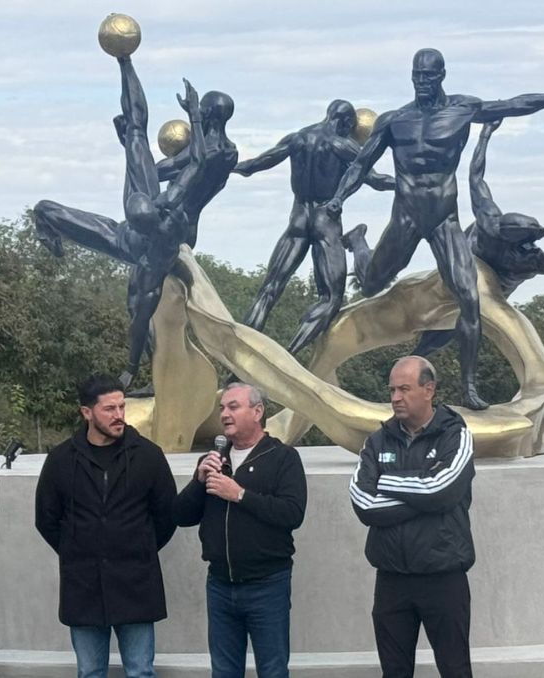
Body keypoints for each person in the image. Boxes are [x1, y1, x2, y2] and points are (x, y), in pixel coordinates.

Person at [327, 47, 544, 410]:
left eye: (429, 76)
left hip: (442, 219)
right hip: (405, 217)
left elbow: (513, 104)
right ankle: (359, 241)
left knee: (469, 299)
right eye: (416, 76)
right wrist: (339, 197)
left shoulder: (462, 109)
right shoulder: (394, 120)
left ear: (442, 76)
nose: (422, 82)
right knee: (372, 283)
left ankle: (468, 387)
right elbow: (360, 165)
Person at [33, 53, 237, 388]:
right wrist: (125, 64)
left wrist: (128, 367)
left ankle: (158, 375)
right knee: (135, 131)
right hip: (148, 218)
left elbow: (188, 165)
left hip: (156, 238)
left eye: (201, 112)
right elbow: (185, 165)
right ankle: (126, 64)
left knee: (139, 307)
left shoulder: (213, 157)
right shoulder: (209, 165)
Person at [347, 119, 544, 357]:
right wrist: (484, 136)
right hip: (457, 277)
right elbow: (476, 176)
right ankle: (358, 240)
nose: (530, 247)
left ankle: (416, 361)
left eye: (531, 243)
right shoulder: (489, 222)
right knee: (414, 304)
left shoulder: (528, 258)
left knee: (451, 327)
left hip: (487, 295)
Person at [34, 374, 178, 678]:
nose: (119, 416)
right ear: (87, 413)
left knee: (140, 671)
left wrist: (138, 547)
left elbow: (166, 515)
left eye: (121, 407)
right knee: (90, 672)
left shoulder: (148, 456)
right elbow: (47, 518)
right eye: (109, 409)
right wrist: (78, 549)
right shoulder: (61, 460)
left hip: (136, 584)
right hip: (83, 586)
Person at [348, 356, 476, 678]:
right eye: (392, 389)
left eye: (404, 389)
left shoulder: (455, 435)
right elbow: (363, 502)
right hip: (392, 579)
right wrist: (423, 491)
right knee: (394, 672)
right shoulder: (377, 441)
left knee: (455, 669)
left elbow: (442, 489)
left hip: (443, 577)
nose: (395, 398)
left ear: (429, 389)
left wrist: (387, 481)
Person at [233, 100, 395, 355]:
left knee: (268, 290)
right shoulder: (342, 145)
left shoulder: (297, 138)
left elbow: (254, 165)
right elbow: (375, 179)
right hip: (325, 223)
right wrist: (407, 183)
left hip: (297, 220)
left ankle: (240, 355)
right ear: (345, 123)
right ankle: (290, 356)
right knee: (331, 298)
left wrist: (226, 167)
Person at [174, 383, 307, 678]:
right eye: (222, 408)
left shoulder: (282, 458)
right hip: (220, 585)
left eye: (233, 407)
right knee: (223, 671)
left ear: (257, 412)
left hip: (267, 584)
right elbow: (181, 515)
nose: (224, 414)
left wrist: (240, 495)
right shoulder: (213, 460)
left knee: (272, 670)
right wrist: (199, 480)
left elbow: (292, 513)